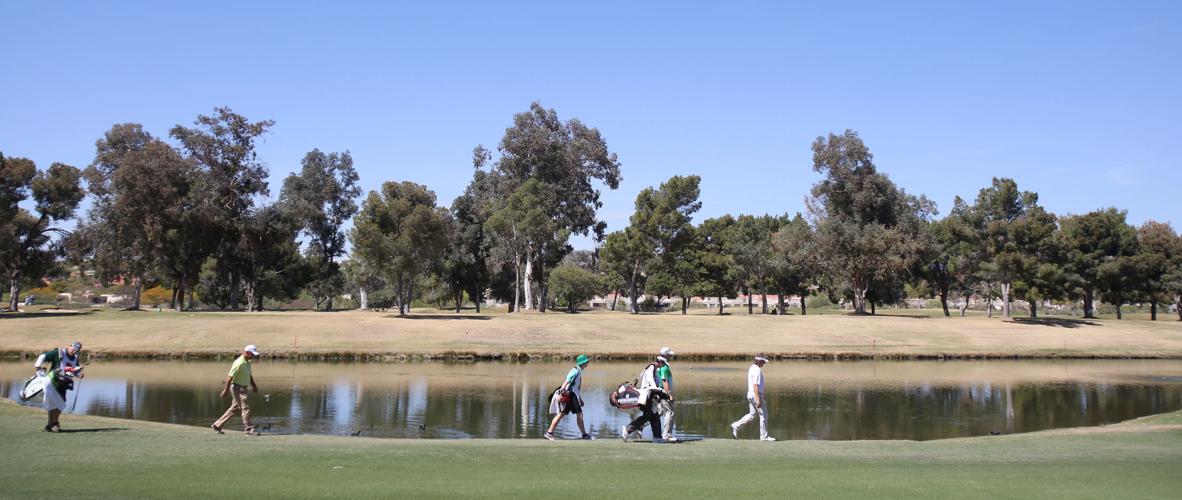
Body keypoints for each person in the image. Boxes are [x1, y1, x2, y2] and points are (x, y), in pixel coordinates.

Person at [33, 342, 84, 432]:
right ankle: (55, 423)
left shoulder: (75, 358)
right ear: (70, 346)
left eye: (76, 350)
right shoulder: (59, 353)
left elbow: (75, 370)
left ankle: (50, 425)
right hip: (53, 381)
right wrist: (38, 368)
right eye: (73, 348)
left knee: (55, 404)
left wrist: (79, 374)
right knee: (59, 403)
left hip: (64, 383)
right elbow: (43, 356)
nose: (74, 351)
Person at [213, 345, 261, 435]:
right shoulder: (239, 363)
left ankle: (217, 425)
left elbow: (249, 375)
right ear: (247, 352)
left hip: (243, 388)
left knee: (234, 408)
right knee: (245, 407)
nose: (254, 356)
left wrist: (254, 385)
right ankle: (249, 428)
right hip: (238, 388)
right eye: (252, 354)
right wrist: (226, 390)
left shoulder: (248, 362)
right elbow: (229, 377)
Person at [621, 356, 670, 442]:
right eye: (663, 364)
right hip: (647, 397)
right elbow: (651, 382)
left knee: (654, 417)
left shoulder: (653, 368)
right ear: (660, 362)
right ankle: (627, 429)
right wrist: (661, 392)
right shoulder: (651, 367)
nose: (663, 366)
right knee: (646, 417)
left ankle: (657, 438)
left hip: (650, 397)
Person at [545, 354, 592, 440]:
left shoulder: (579, 370)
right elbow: (566, 381)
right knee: (579, 414)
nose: (588, 363)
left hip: (572, 396)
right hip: (570, 396)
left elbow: (575, 387)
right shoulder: (575, 371)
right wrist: (562, 392)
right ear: (583, 362)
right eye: (587, 361)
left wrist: (580, 399)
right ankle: (584, 435)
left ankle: (549, 432)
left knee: (561, 414)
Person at [730, 354, 775, 441]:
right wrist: (758, 399)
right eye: (763, 361)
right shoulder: (757, 370)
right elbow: (755, 385)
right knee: (764, 416)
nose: (764, 363)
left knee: (752, 415)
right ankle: (764, 436)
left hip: (750, 395)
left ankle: (736, 425)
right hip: (756, 395)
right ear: (758, 361)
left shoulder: (752, 368)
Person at [655, 347, 677, 442]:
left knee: (658, 413)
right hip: (664, 393)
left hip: (660, 393)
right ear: (666, 355)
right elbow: (664, 382)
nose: (671, 356)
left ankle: (641, 426)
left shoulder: (662, 365)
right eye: (670, 354)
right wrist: (669, 395)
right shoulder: (664, 367)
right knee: (670, 412)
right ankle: (667, 435)